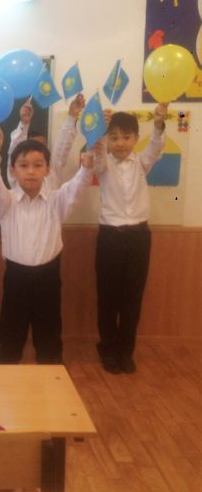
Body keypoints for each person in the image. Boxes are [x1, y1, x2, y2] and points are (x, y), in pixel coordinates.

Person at [0, 126, 95, 364]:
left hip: (48, 276)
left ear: (47, 169)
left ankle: (51, 370)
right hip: (16, 276)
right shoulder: (5, 202)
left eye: (37, 165)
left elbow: (78, 185)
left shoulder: (57, 201)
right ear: (13, 170)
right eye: (24, 166)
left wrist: (88, 160)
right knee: (11, 331)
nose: (31, 172)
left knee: (49, 334)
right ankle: (5, 366)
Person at [94, 104, 167, 374]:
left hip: (138, 238)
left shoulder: (142, 163)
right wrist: (99, 130)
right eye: (114, 137)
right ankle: (108, 349)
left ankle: (126, 352)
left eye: (126, 137)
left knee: (132, 298)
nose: (121, 143)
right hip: (110, 238)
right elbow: (97, 152)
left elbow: (156, 146)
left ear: (136, 138)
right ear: (108, 140)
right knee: (108, 298)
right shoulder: (103, 164)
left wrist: (158, 124)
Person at [7, 94, 86, 191]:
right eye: (35, 146)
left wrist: (72, 116)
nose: (40, 150)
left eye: (43, 145)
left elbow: (63, 145)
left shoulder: (52, 168)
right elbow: (15, 150)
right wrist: (24, 123)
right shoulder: (17, 172)